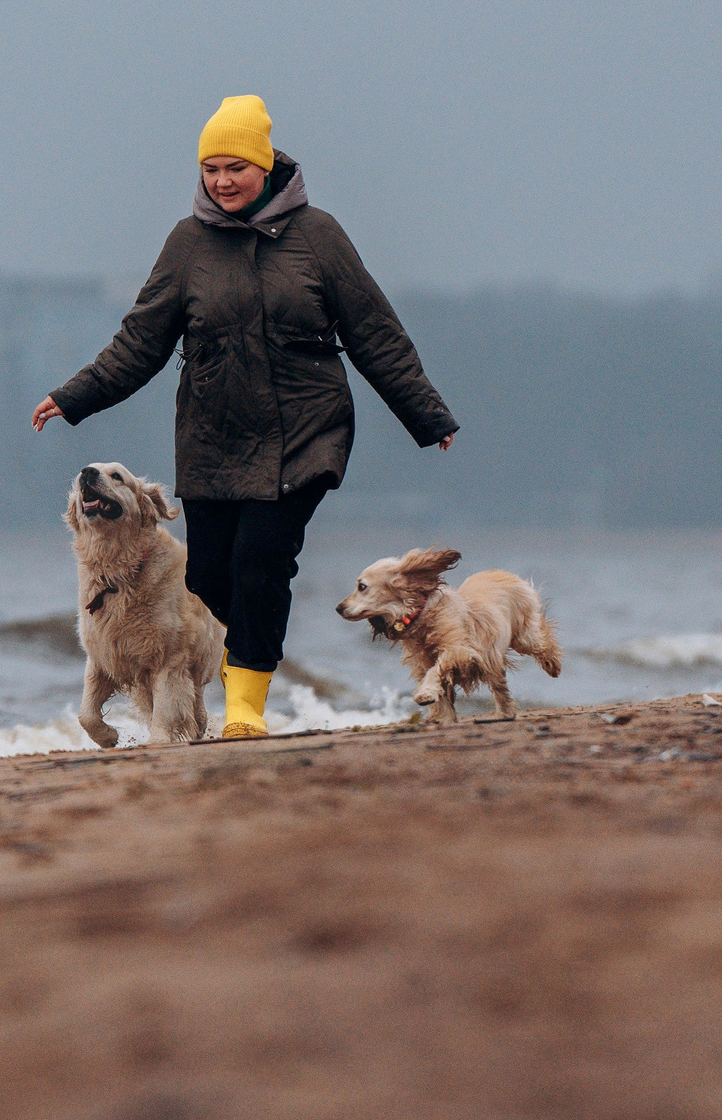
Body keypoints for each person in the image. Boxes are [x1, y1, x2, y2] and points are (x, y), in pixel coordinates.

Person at [31, 95, 458, 738]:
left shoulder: (319, 236)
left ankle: (246, 709)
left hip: (303, 433)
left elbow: (375, 331)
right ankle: (244, 658)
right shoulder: (187, 243)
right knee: (207, 576)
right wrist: (75, 395)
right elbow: (141, 340)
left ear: (265, 166)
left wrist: (425, 413)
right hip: (212, 438)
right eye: (211, 170)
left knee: (262, 559)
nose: (223, 182)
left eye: (236, 168)